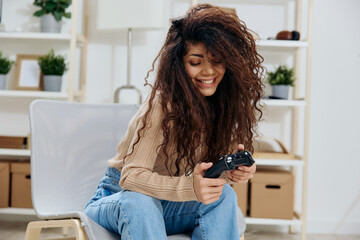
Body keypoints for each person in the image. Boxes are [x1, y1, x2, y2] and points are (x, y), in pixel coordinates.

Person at [84, 3, 264, 240]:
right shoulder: (162, 103)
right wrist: (189, 187)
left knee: (223, 196)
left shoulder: (222, 105)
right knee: (141, 203)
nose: (208, 72)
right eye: (195, 62)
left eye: (217, 60)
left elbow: (202, 176)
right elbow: (131, 178)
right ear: (180, 63)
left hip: (164, 206)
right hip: (118, 198)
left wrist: (232, 174)